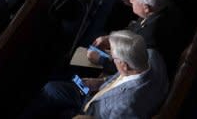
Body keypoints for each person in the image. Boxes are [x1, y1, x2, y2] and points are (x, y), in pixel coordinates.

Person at [23, 30, 168, 118]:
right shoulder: (151, 55)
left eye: (113, 57)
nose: (111, 58)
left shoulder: (125, 106)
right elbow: (123, 76)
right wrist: (100, 82)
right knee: (53, 87)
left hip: (88, 112)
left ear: (123, 64)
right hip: (96, 92)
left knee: (50, 95)